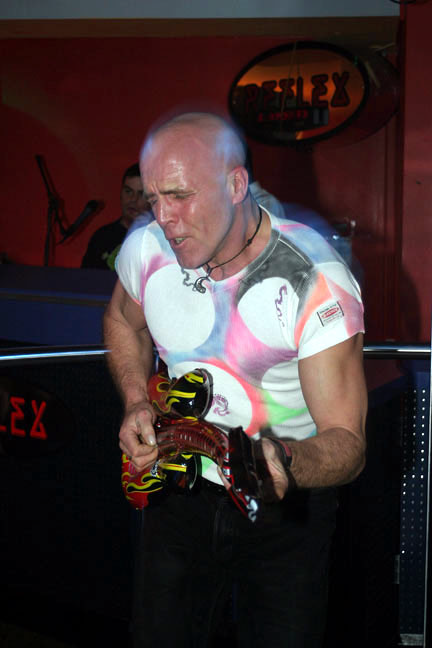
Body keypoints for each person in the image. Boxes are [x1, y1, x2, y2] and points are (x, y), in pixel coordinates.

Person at [103, 112, 367, 648]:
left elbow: (349, 442)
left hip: (283, 509)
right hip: (177, 489)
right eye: (153, 198)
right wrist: (134, 399)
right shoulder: (147, 249)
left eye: (180, 195)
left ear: (236, 184)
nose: (164, 217)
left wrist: (283, 461)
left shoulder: (313, 279)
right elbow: (122, 321)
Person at [81, 163, 152, 269]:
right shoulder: (102, 237)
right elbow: (84, 277)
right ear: (120, 193)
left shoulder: (162, 238)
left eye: (141, 194)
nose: (133, 199)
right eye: (128, 191)